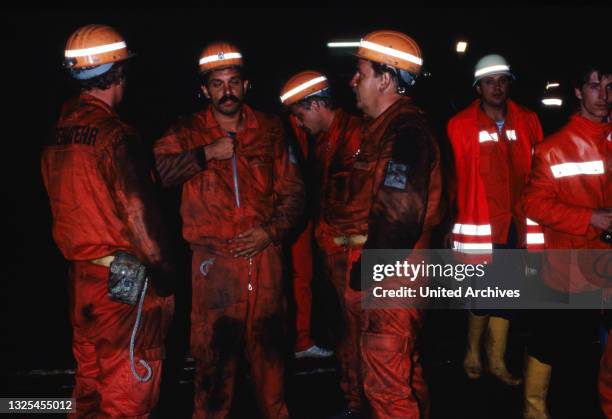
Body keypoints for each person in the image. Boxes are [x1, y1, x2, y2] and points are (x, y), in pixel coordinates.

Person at [154, 41, 303, 419]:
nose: (226, 91)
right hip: (214, 268)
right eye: (217, 84)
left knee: (271, 363)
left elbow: (294, 191)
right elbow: (157, 173)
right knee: (214, 368)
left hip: (265, 260)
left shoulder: (270, 129)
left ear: (246, 85)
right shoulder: (187, 131)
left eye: (233, 82)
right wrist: (205, 154)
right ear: (204, 90)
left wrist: (270, 232)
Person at [41, 24, 175, 417]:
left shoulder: (57, 131)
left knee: (89, 390)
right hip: (121, 289)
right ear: (119, 72)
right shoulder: (114, 134)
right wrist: (165, 277)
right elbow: (139, 217)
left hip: (81, 282)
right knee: (125, 396)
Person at [346, 30, 444, 418]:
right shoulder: (390, 127)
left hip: (394, 279)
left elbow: (399, 216)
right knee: (405, 372)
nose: (354, 81)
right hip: (400, 273)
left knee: (386, 388)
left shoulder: (404, 132)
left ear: (385, 79)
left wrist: (367, 271)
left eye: (361, 72)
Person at [447, 54, 544, 385]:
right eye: (489, 81)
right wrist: (450, 222)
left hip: (518, 222)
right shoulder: (459, 125)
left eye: (503, 80)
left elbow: (538, 173)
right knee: (485, 290)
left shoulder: (528, 120)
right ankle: (473, 351)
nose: (497, 87)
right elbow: (451, 177)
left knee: (510, 293)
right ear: (478, 88)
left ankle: (496, 359)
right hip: (481, 222)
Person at [522, 63, 612, 419]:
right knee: (571, 359)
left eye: (610, 87)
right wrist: (590, 218)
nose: (604, 96)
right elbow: (532, 203)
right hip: (574, 271)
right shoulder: (554, 148)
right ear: (578, 92)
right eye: (595, 87)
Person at [280, 71, 363, 411]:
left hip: (357, 256)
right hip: (337, 255)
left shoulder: (357, 136)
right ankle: (355, 402)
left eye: (300, 114)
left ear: (316, 105)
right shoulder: (326, 140)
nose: (298, 123)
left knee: (370, 343)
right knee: (347, 338)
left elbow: (363, 204)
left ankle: (366, 404)